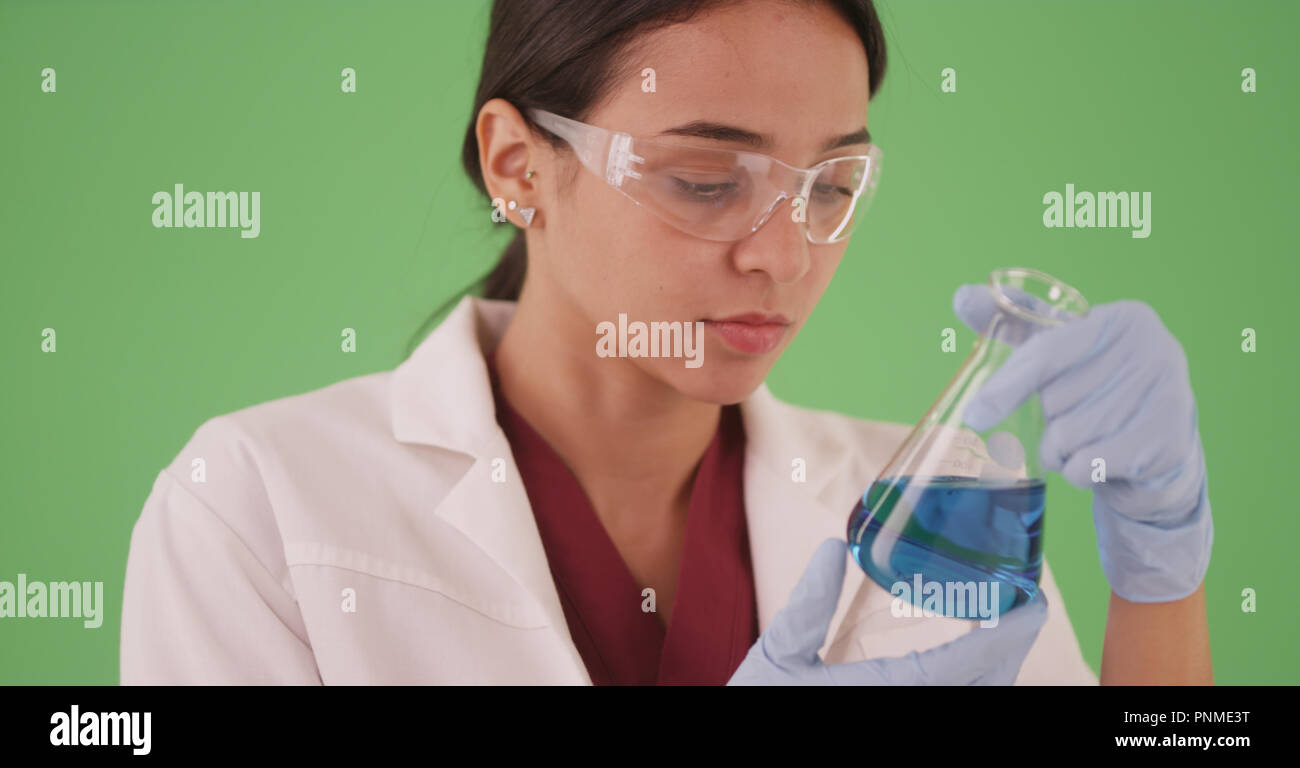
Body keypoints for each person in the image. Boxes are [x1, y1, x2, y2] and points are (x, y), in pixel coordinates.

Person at [120, 0, 1213, 685]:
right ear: (515, 167)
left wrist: (1158, 576)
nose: (783, 257)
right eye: (702, 180)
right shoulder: (259, 504)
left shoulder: (927, 512)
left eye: (831, 186)